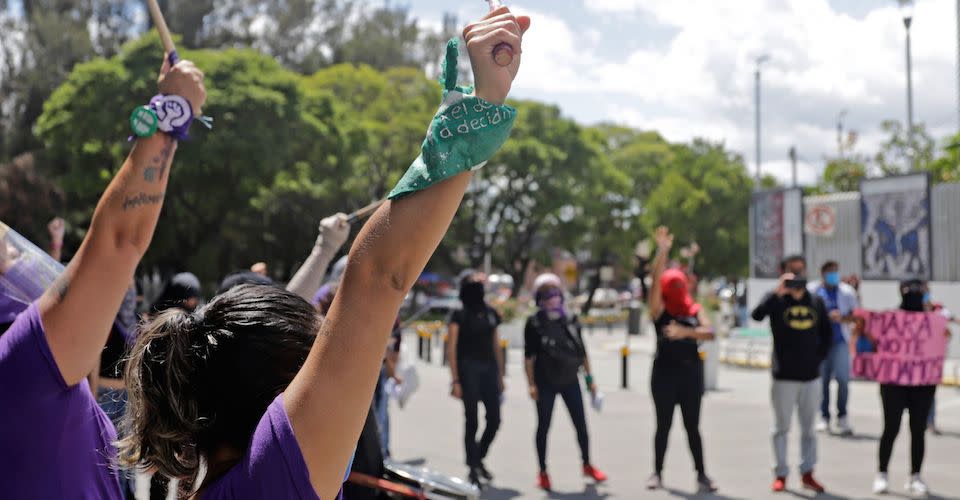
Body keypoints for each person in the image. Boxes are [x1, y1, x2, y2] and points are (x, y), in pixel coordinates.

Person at [119, 10, 527, 499]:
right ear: (283, 396)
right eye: (320, 358)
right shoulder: (269, 482)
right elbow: (376, 277)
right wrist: (479, 109)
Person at [0, 52, 207, 498]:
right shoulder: (18, 368)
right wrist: (172, 111)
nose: (17, 252)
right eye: (7, 249)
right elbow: (118, 241)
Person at [752, 255, 832, 493]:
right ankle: (781, 473)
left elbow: (827, 335)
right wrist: (778, 292)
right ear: (783, 273)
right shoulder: (776, 300)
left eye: (800, 272)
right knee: (781, 428)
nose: (797, 277)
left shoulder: (816, 301)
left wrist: (818, 359)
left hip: (810, 377)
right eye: (792, 272)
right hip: (784, 376)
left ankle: (808, 472)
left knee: (809, 429)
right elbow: (756, 315)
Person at [645, 227, 717, 492]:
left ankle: (702, 474)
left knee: (692, 427)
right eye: (671, 285)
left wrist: (685, 332)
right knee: (662, 426)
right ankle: (657, 472)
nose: (676, 288)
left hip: (690, 375)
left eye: (679, 284)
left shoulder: (694, 309)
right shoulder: (659, 309)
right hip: (664, 375)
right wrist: (662, 252)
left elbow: (709, 332)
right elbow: (654, 284)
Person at [524, 273, 607, 491]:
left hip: (571, 380)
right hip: (545, 382)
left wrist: (590, 380)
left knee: (581, 425)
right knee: (543, 427)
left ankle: (587, 464)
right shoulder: (533, 322)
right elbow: (528, 358)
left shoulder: (570, 318)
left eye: (554, 288)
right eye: (546, 289)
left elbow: (582, 351)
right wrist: (531, 384)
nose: (552, 294)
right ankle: (542, 471)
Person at [872, 280, 948, 496]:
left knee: (918, 430)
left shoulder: (934, 320)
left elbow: (943, 340)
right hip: (894, 383)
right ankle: (882, 473)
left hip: (922, 384)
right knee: (891, 428)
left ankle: (915, 475)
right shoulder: (890, 319)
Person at [447, 270, 504, 487]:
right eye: (473, 284)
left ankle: (478, 457)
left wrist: (500, 375)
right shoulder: (458, 313)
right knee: (472, 421)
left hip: (489, 371)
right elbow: (451, 348)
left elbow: (496, 345)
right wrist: (455, 380)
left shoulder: (490, 312)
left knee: (495, 419)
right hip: (467, 372)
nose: (478, 287)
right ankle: (472, 468)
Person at [809, 261, 859, 436]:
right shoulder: (813, 291)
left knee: (843, 380)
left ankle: (842, 416)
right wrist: (825, 318)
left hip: (840, 342)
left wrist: (842, 318)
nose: (834, 275)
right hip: (820, 343)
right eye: (830, 272)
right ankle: (824, 416)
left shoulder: (847, 292)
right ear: (822, 274)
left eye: (836, 272)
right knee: (822, 382)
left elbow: (856, 317)